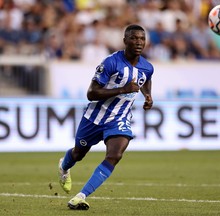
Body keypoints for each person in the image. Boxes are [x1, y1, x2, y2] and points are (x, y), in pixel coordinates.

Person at [58, 24, 154, 210]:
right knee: (78, 153)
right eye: (134, 38)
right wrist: (122, 89)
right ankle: (64, 166)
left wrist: (148, 96)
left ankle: (80, 196)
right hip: (94, 118)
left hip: (119, 119)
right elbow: (91, 93)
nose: (139, 42)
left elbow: (145, 80)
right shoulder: (110, 63)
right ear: (125, 40)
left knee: (115, 155)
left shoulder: (147, 67)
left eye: (142, 39)